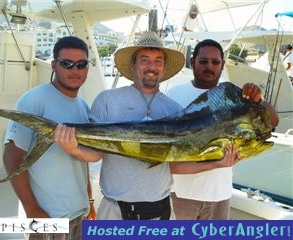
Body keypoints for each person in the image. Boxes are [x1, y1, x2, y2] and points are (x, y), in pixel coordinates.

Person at [56, 31, 240, 220]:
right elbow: (95, 154)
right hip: (115, 210)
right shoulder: (107, 100)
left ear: (164, 67)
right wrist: (73, 149)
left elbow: (173, 166)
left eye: (158, 61)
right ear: (133, 64)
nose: (152, 66)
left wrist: (219, 163)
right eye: (144, 60)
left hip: (159, 211)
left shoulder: (174, 110)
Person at [167, 39, 279, 220]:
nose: (209, 66)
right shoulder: (173, 94)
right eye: (203, 61)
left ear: (222, 64)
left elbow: (273, 121)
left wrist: (258, 100)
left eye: (215, 62)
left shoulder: (234, 95)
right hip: (181, 193)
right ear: (192, 62)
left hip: (219, 193)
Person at [3, 36, 101, 240]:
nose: (75, 70)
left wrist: (90, 201)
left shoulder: (83, 107)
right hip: (48, 219)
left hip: (79, 214)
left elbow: (82, 161)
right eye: (67, 63)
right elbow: (12, 157)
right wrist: (32, 210)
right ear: (54, 65)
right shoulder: (33, 101)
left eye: (81, 64)